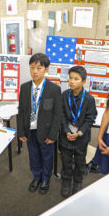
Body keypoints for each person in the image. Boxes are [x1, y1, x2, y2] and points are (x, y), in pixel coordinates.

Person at [17, 53, 61, 195]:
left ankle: (45, 179)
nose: (35, 71)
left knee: (47, 156)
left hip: (46, 131)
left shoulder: (54, 89)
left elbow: (57, 114)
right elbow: (21, 111)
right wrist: (21, 132)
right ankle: (37, 177)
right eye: (32, 67)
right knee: (34, 155)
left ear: (46, 69)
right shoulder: (24, 88)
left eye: (39, 68)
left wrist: (53, 134)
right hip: (30, 130)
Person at [60, 66, 97, 197]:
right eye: (70, 78)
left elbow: (90, 119)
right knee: (66, 159)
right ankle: (66, 181)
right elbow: (61, 115)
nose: (72, 81)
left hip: (81, 136)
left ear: (84, 81)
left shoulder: (89, 99)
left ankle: (77, 181)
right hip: (66, 135)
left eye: (76, 79)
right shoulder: (64, 96)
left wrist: (79, 132)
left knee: (80, 160)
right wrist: (66, 131)